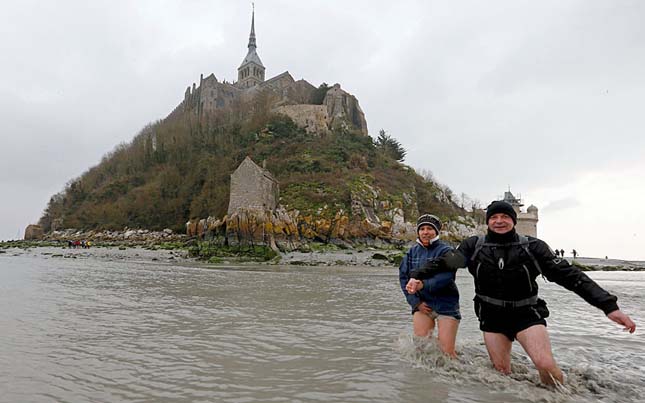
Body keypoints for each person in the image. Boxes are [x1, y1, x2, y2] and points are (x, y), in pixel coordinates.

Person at [457, 200, 636, 385]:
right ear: (487, 222)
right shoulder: (473, 246)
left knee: (546, 366)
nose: (499, 221)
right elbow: (445, 265)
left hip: (525, 313)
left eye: (505, 216)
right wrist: (423, 281)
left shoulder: (533, 247)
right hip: (491, 315)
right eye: (493, 217)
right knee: (501, 373)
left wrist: (608, 306)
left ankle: (561, 397)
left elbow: (570, 276)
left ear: (514, 221)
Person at [399, 214, 461, 357]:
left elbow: (447, 277)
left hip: (446, 305)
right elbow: (404, 279)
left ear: (437, 231)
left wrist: (423, 285)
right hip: (423, 305)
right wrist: (415, 302)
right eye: (422, 229)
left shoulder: (446, 251)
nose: (425, 232)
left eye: (429, 229)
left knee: (447, 353)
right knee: (420, 349)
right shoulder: (411, 252)